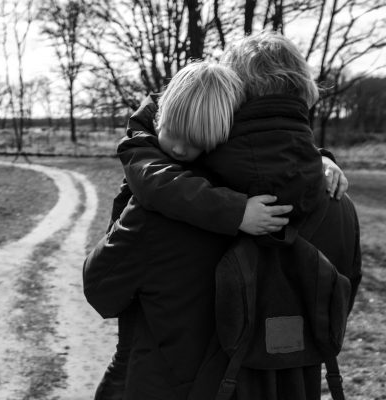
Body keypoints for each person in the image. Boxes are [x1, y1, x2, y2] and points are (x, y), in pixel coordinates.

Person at [84, 31, 360, 400]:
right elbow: (335, 311)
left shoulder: (171, 196)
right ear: (306, 95)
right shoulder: (337, 201)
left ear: (233, 97)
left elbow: (103, 290)